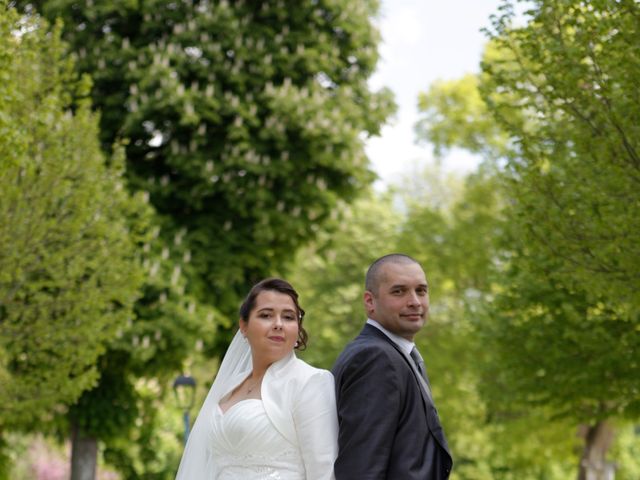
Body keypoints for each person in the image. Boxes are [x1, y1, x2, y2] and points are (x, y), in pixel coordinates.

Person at [175, 278, 338, 480]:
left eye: (288, 317)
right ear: (243, 325)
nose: (278, 324)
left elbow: (323, 470)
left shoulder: (311, 382)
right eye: (266, 315)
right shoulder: (229, 385)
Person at [332, 253, 453, 479]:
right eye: (399, 291)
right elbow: (361, 468)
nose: (415, 301)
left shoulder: (397, 354)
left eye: (421, 290)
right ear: (370, 301)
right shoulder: (375, 359)